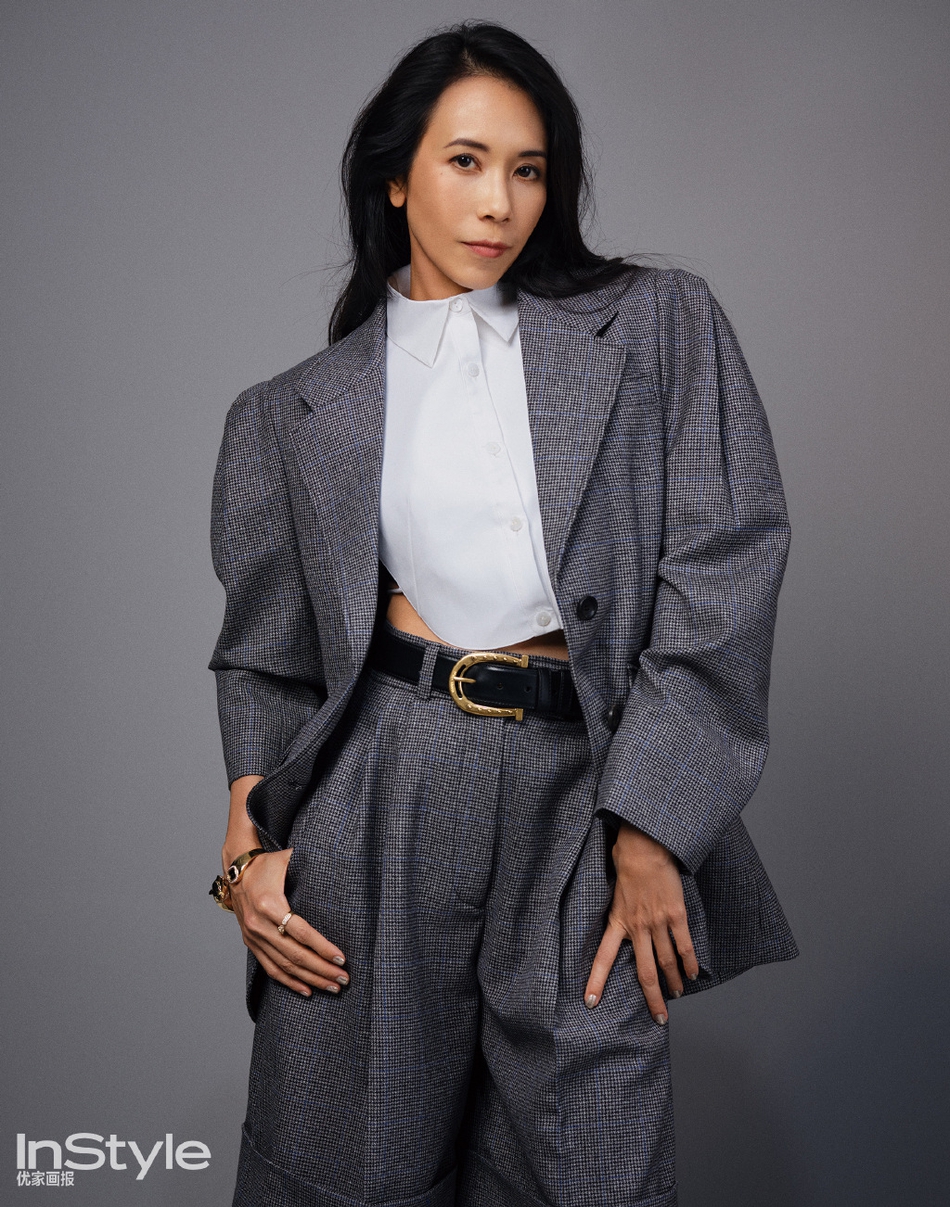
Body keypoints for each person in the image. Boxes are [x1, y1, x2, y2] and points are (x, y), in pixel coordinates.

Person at [208, 21, 797, 1207]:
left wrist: (652, 824)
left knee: (593, 1175)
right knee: (348, 1172)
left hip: (588, 788)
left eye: (527, 169)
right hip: (382, 791)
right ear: (394, 177)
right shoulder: (291, 412)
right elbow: (266, 663)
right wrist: (247, 853)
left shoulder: (657, 324)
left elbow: (725, 562)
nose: (499, 202)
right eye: (465, 161)